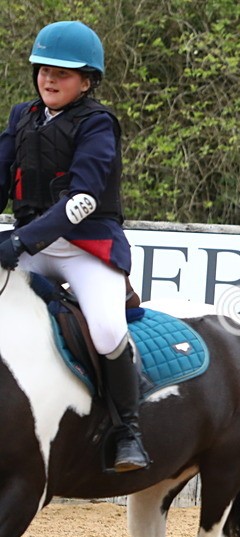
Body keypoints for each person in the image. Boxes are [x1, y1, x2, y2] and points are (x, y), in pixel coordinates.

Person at [0, 20, 148, 472]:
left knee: (105, 329)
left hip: (86, 247)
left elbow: (82, 200)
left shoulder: (97, 124)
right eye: (44, 70)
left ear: (86, 82)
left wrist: (21, 240)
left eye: (61, 74)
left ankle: (127, 432)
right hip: (32, 244)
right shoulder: (22, 117)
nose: (49, 79)